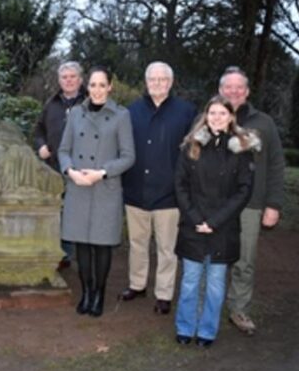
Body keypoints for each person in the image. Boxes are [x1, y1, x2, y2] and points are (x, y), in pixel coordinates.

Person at [173, 95, 260, 347]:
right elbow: (180, 184)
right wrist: (195, 218)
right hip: (193, 225)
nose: (217, 118)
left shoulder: (241, 150)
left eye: (223, 113)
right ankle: (185, 327)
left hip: (223, 227)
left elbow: (244, 190)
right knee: (190, 282)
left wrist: (215, 221)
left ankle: (207, 331)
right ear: (205, 116)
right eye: (212, 113)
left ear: (231, 117)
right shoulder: (191, 146)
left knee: (214, 285)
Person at [119, 62, 197, 315]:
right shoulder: (131, 112)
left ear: (171, 82)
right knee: (137, 243)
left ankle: (164, 294)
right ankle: (137, 284)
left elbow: (193, 154)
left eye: (163, 79)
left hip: (169, 194)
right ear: (146, 81)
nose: (158, 83)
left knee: (167, 248)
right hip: (135, 190)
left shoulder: (186, 112)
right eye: (153, 79)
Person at [58, 66, 135, 317]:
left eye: (103, 85)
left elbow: (128, 156)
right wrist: (70, 171)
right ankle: (87, 291)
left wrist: (102, 172)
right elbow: (63, 150)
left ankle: (99, 293)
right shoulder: (75, 114)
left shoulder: (121, 116)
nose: (98, 90)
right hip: (78, 187)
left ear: (110, 86)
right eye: (93, 85)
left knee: (101, 246)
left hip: (105, 188)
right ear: (86, 87)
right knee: (81, 246)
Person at [219, 66, 285, 335]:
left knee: (244, 260)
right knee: (209, 257)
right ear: (220, 90)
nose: (233, 92)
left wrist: (274, 204)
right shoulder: (209, 118)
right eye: (228, 87)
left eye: (239, 87)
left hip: (250, 203)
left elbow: (276, 164)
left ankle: (239, 308)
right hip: (215, 204)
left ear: (246, 91)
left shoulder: (263, 123)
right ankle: (206, 305)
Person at [34, 61, 87, 270]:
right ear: (59, 80)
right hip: (54, 167)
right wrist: (41, 146)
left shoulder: (89, 102)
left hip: (81, 168)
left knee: (76, 212)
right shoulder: (52, 104)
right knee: (56, 212)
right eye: (64, 77)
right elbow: (38, 130)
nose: (68, 80)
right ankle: (59, 254)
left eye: (73, 76)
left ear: (80, 80)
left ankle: (74, 253)